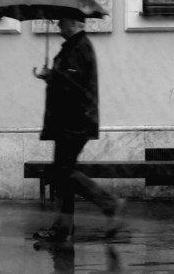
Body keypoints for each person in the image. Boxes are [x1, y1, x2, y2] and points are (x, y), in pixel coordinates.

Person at [32, 18, 124, 242]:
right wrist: (52, 76)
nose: (58, 26)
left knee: (63, 172)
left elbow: (72, 84)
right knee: (62, 174)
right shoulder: (74, 47)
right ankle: (63, 229)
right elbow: (69, 80)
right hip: (68, 120)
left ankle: (109, 204)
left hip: (73, 121)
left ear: (73, 23)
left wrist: (51, 76)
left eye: (61, 22)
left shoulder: (79, 47)